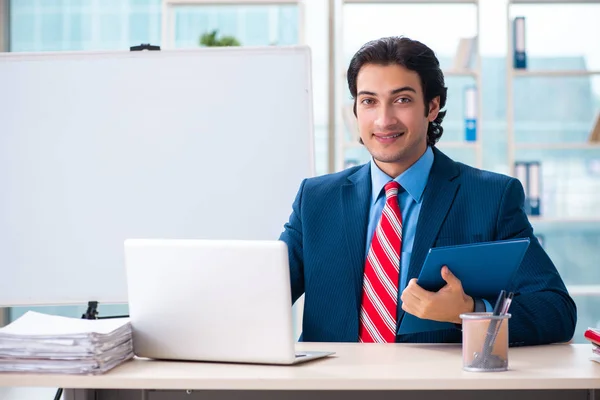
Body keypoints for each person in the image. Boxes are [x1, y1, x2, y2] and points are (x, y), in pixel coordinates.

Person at [279, 36, 576, 345]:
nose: (384, 119)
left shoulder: (491, 197)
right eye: (369, 101)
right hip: (331, 388)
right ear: (355, 109)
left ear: (432, 106)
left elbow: (557, 310)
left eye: (402, 100)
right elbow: (265, 295)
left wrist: (470, 311)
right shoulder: (315, 200)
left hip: (435, 388)